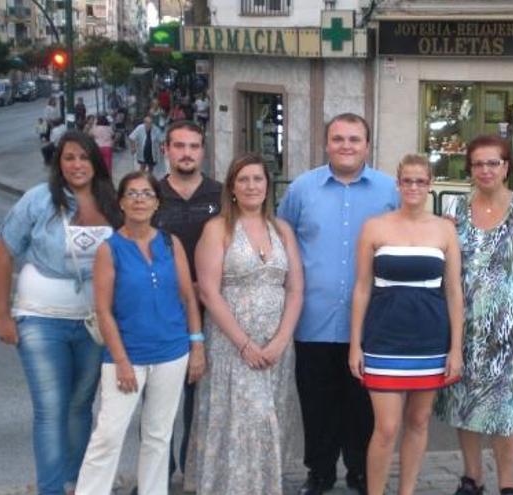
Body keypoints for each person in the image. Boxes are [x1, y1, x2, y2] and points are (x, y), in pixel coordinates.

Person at [0, 131, 121, 495]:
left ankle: (79, 484)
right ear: (58, 163)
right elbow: (4, 252)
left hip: (95, 324)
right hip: (41, 317)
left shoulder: (112, 202)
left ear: (96, 162)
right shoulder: (38, 201)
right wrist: (1, 314)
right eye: (69, 158)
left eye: (84, 157)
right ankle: (50, 489)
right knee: (51, 409)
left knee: (81, 406)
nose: (77, 165)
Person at [277, 113, 399, 495]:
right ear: (326, 143)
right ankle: (320, 471)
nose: (346, 146)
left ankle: (361, 471)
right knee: (316, 405)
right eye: (338, 139)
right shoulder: (301, 189)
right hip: (313, 319)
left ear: (367, 144)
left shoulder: (388, 191)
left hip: (371, 323)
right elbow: (283, 240)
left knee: (363, 407)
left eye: (354, 139)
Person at [433, 134, 513, 495]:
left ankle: (507, 482)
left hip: (511, 333)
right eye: (478, 163)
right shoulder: (454, 210)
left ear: (506, 168)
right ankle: (472, 477)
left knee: (508, 408)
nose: (485, 170)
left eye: (493, 163)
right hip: (463, 330)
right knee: (465, 403)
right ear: (469, 169)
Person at [74, 172, 206, 495]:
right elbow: (103, 310)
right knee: (108, 435)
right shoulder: (110, 249)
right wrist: (121, 361)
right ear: (121, 202)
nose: (139, 200)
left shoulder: (169, 242)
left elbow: (188, 296)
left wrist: (197, 345)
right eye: (131, 194)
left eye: (146, 194)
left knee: (158, 436)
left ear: (157, 202)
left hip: (173, 352)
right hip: (127, 355)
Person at [348, 154, 464, 495]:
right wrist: (356, 344)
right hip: (384, 338)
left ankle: (407, 491)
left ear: (430, 185)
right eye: (407, 180)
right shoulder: (374, 226)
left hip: (430, 338)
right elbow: (362, 287)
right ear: (398, 184)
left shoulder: (445, 229)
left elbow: (455, 291)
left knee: (418, 421)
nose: (413, 187)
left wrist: (456, 348)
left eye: (421, 181)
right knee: (386, 427)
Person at [193, 153, 304, 493]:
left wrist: (282, 339)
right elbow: (209, 293)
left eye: (258, 179)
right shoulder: (218, 229)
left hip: (276, 346)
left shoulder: (282, 229)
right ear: (232, 188)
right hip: (233, 345)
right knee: (242, 420)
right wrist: (244, 343)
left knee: (269, 419)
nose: (252, 186)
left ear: (267, 186)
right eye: (244, 180)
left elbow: (296, 288)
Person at [151, 120, 222, 482]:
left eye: (193, 146)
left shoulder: (222, 196)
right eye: (179, 146)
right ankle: (157, 478)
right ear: (166, 150)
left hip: (210, 312)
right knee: (157, 405)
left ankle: (193, 474)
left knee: (200, 403)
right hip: (160, 313)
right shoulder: (151, 194)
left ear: (203, 151)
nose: (186, 153)